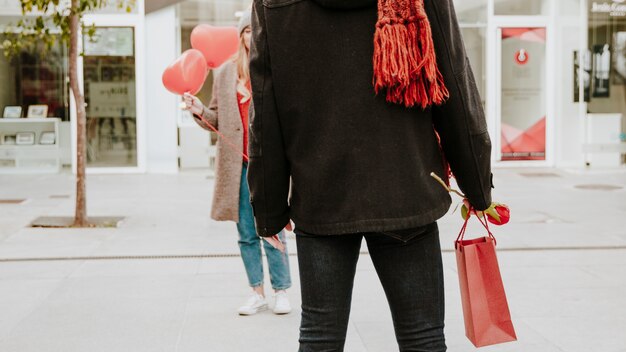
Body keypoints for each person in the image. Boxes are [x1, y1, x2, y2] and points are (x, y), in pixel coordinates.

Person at [247, 0, 492, 351]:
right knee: (422, 336)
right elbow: (454, 82)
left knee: (320, 336)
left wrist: (269, 208)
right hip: (406, 186)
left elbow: (265, 107)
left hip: (321, 192)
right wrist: (477, 184)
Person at [182, 9, 292, 316]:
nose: (250, 36)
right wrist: (199, 108)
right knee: (246, 233)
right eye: (245, 31)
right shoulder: (225, 74)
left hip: (267, 165)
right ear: (240, 36)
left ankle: (282, 290)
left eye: (253, 31)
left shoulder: (269, 68)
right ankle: (256, 292)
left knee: (274, 229)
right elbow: (215, 119)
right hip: (238, 166)